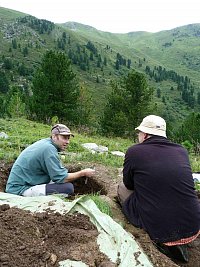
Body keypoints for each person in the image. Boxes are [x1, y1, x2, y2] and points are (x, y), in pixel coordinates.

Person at [117, 115, 200, 262]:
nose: (138, 136)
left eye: (139, 133)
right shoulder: (181, 150)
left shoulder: (134, 151)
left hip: (159, 231)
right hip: (193, 226)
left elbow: (129, 185)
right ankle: (179, 241)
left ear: (146, 134)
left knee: (122, 188)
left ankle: (163, 244)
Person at [6, 123, 95, 197]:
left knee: (58, 182)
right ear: (54, 136)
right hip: (19, 190)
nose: (67, 142)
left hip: (25, 183)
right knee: (68, 188)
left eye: (68, 138)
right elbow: (61, 178)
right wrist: (82, 173)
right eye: (64, 137)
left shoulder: (46, 144)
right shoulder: (49, 149)